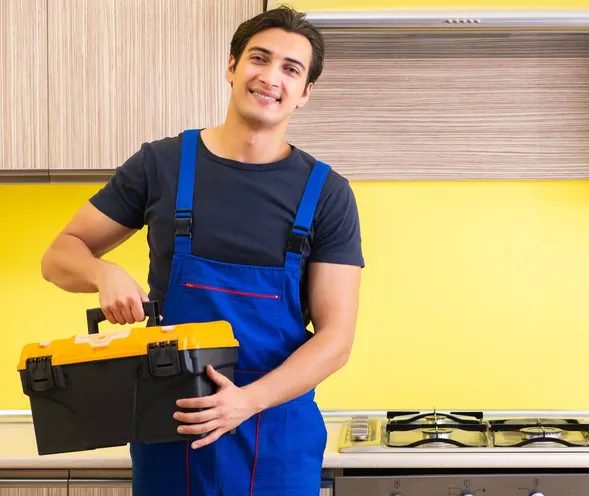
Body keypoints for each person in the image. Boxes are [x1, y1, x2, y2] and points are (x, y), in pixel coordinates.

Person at [41, 5, 363, 496]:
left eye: (290, 69)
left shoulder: (327, 193)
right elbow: (60, 254)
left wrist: (247, 401)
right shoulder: (161, 165)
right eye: (259, 59)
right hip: (170, 429)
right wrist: (102, 273)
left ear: (304, 94)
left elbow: (335, 339)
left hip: (275, 436)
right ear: (232, 66)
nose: (270, 77)